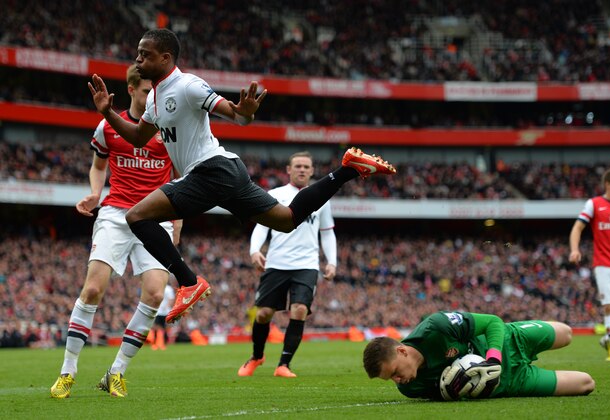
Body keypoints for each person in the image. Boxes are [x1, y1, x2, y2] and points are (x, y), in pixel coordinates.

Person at [88, 28, 396, 325]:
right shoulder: (155, 98)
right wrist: (107, 112)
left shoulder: (188, 86)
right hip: (223, 174)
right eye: (138, 55)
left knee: (137, 216)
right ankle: (348, 169)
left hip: (211, 170)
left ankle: (188, 282)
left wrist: (245, 112)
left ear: (166, 58)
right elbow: (139, 137)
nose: (138, 60)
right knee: (287, 220)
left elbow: (235, 114)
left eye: (145, 55)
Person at [51, 65, 181, 399]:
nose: (154, 96)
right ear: (132, 88)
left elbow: (181, 179)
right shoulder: (108, 126)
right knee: (93, 288)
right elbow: (98, 166)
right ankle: (68, 372)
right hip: (116, 213)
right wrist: (96, 193)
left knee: (155, 294)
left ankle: (116, 372)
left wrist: (177, 221)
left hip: (156, 216)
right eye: (147, 90)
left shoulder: (169, 130)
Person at [237, 151, 337, 378]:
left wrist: (332, 261)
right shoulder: (275, 194)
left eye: (306, 166)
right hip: (276, 263)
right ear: (288, 170)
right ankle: (256, 357)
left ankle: (284, 364)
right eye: (298, 166)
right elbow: (261, 227)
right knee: (263, 314)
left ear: (312, 171)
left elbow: (327, 233)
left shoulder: (322, 199)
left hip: (307, 264)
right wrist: (254, 250)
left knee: (299, 309)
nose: (302, 169)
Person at [363, 311, 595, 400]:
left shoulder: (437, 327)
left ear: (401, 351)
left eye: (394, 373)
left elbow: (493, 322)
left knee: (567, 333)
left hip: (509, 340)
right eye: (390, 379)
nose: (398, 381)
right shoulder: (410, 389)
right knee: (586, 383)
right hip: (512, 383)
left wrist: (493, 359)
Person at [569, 168, 610, 361]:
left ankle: (609, 337)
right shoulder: (594, 204)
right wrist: (574, 249)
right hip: (604, 264)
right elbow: (577, 227)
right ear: (608, 185)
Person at [151, 280, 175, 350]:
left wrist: (167, 306)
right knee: (155, 327)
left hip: (165, 312)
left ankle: (164, 344)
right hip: (158, 311)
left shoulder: (168, 289)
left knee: (164, 328)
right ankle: (155, 344)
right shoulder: (158, 288)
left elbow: (171, 299)